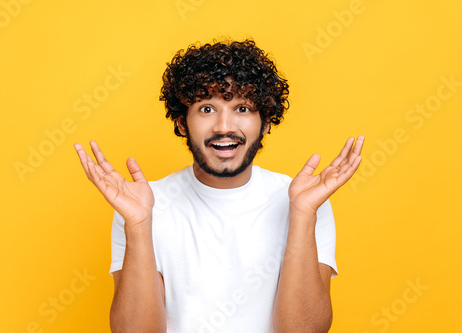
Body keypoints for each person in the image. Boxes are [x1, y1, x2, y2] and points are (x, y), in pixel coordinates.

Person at [74, 39, 364, 333]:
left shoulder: (306, 202)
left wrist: (302, 215)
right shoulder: (141, 206)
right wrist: (138, 225)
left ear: (265, 123)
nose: (224, 126)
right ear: (182, 123)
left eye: (242, 107)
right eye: (207, 109)